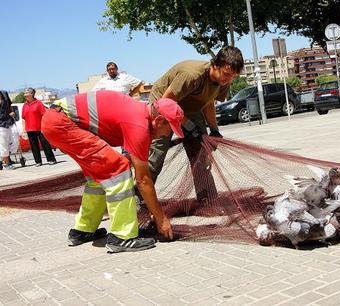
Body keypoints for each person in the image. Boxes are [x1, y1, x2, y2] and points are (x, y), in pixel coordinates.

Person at [41, 91, 185, 253]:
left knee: (100, 176)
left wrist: (155, 211)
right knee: (118, 168)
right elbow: (143, 179)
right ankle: (122, 237)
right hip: (62, 123)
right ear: (158, 120)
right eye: (169, 128)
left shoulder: (137, 114)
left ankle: (82, 230)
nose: (168, 134)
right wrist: (161, 218)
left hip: (55, 121)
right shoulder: (138, 124)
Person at [147, 46, 244, 202]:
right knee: (156, 155)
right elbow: (166, 103)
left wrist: (214, 130)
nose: (229, 79)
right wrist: (188, 125)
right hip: (163, 103)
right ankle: (139, 198)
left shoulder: (224, 79)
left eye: (234, 76)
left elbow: (208, 102)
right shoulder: (192, 75)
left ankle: (207, 199)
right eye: (227, 74)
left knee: (200, 153)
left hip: (191, 107)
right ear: (216, 64)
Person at [21, 88, 57, 166]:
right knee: (34, 146)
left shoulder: (38, 103)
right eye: (24, 93)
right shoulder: (24, 105)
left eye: (26, 93)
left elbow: (44, 115)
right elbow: (23, 118)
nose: (25, 95)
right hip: (29, 129)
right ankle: (38, 161)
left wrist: (45, 126)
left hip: (40, 128)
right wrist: (24, 130)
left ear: (31, 94)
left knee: (45, 144)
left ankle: (51, 159)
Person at [0, 90, 16, 170]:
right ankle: (6, 163)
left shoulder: (4, 93)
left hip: (9, 121)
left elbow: (9, 106)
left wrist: (12, 112)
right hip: (0, 124)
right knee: (3, 144)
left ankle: (2, 158)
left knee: (15, 141)